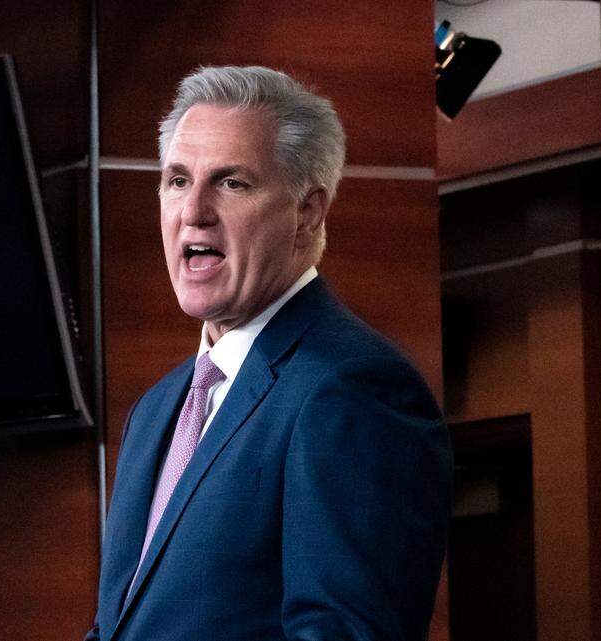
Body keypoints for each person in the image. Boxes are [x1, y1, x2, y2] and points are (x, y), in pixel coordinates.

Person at [86, 66, 451, 641]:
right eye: (177, 180)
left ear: (307, 214)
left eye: (231, 183)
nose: (193, 211)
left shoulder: (353, 388)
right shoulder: (155, 411)